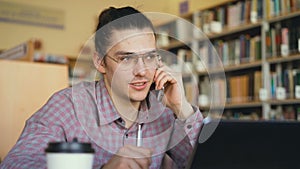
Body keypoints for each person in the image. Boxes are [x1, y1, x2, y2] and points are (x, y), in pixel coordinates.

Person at [0, 6, 203, 169]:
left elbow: (204, 161)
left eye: (149, 57)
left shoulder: (163, 113)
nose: (142, 71)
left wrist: (181, 107)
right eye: (127, 59)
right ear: (100, 62)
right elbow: (15, 164)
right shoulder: (68, 106)